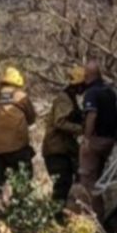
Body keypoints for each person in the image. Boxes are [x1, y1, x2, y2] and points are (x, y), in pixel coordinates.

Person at [0, 66, 36, 212]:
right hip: (18, 145)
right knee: (22, 174)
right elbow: (31, 118)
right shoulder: (21, 96)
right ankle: (21, 205)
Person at [77, 62, 117, 220]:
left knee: (87, 179)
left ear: (88, 76)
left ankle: (92, 218)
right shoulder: (110, 92)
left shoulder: (92, 93)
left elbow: (92, 115)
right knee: (99, 177)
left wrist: (86, 139)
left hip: (96, 140)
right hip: (110, 140)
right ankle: (101, 213)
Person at [42, 65, 88, 205]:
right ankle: (56, 216)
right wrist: (82, 129)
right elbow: (60, 122)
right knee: (62, 184)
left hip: (63, 149)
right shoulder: (64, 99)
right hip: (56, 150)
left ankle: (61, 214)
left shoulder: (70, 98)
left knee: (66, 183)